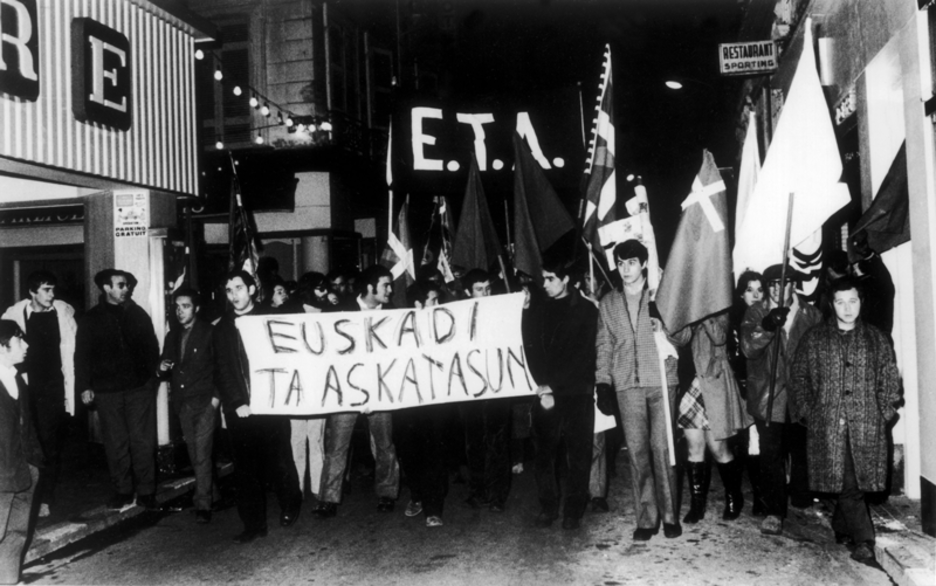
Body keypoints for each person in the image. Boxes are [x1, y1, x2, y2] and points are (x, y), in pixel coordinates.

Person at [791, 277, 900, 565]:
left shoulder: (876, 339)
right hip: (828, 425)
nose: (847, 308)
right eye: (840, 302)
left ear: (861, 302)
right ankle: (865, 540)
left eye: (853, 301)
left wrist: (884, 412)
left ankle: (842, 525)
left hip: (867, 425)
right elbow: (799, 377)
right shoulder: (814, 338)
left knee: (852, 481)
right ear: (831, 304)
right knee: (848, 480)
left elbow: (890, 378)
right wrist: (808, 412)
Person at [595, 240, 690, 541]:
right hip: (627, 385)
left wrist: (666, 327)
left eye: (632, 262)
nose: (626, 269)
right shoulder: (609, 302)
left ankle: (670, 515)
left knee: (663, 448)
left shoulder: (662, 294)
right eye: (620, 263)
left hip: (661, 380)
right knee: (637, 452)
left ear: (645, 264)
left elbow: (685, 336)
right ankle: (647, 519)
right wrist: (603, 381)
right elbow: (604, 344)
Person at [213, 270, 302, 544]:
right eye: (229, 290)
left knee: (279, 460)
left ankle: (290, 504)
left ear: (252, 289)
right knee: (245, 469)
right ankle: (253, 524)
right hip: (240, 409)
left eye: (239, 288)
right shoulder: (222, 328)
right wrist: (237, 402)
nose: (234, 295)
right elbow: (222, 369)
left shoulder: (269, 317)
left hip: (270, 405)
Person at [740, 263, 822, 535]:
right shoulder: (756, 311)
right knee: (771, 453)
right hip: (768, 395)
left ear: (793, 285)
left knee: (803, 450)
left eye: (784, 282)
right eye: (772, 284)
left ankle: (802, 499)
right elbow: (748, 349)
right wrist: (767, 326)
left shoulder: (811, 314)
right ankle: (774, 511)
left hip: (802, 395)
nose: (777, 289)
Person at [314, 265, 401, 518]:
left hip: (380, 388)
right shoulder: (339, 310)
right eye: (386, 285)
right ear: (370, 287)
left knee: (384, 444)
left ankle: (387, 494)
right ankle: (328, 499)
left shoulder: (394, 314)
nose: (390, 290)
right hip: (346, 390)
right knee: (337, 445)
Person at [522, 258, 598, 530]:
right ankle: (548, 507)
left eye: (550, 278)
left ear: (566, 279)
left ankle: (573, 511)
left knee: (578, 455)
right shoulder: (539, 309)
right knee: (544, 453)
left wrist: (553, 385)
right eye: (543, 278)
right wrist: (542, 384)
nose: (545, 284)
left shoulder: (586, 310)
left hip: (576, 392)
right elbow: (529, 347)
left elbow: (584, 354)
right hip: (546, 393)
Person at [75, 269, 160, 510]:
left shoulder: (137, 314)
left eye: (127, 285)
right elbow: (82, 356)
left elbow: (152, 349)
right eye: (121, 285)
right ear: (106, 287)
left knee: (143, 441)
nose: (126, 289)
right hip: (107, 392)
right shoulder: (90, 319)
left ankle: (146, 491)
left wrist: (150, 379)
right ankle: (123, 490)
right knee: (115, 443)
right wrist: (85, 386)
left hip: (138, 390)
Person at [2, 270, 77, 517]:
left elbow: (73, 352)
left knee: (48, 446)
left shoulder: (63, 314)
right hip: (25, 388)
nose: (52, 294)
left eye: (53, 289)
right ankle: (24, 497)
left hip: (53, 389)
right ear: (32, 292)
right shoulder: (14, 316)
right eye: (46, 289)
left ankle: (45, 498)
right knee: (22, 443)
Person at [677, 312, 752, 524]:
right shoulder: (686, 309)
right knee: (694, 447)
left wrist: (703, 314)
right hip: (690, 385)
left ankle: (734, 497)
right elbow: (678, 339)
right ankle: (697, 505)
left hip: (714, 384)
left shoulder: (720, 311)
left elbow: (719, 337)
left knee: (718, 448)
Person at [157, 289, 217, 524]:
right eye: (177, 307)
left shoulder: (209, 332)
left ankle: (203, 504)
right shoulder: (172, 335)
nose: (180, 311)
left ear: (197, 308)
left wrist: (215, 399)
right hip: (183, 404)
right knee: (195, 453)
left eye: (186, 306)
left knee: (201, 453)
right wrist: (161, 367)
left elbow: (221, 367)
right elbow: (164, 365)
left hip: (204, 402)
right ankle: (213, 493)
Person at [394, 280, 450, 527]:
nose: (438, 304)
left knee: (433, 454)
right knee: (409, 453)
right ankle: (417, 495)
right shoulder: (397, 329)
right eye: (433, 300)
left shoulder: (445, 326)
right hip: (406, 404)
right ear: (418, 304)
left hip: (434, 402)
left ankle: (433, 508)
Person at [459, 268, 513, 512]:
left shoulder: (502, 312)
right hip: (471, 390)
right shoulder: (459, 317)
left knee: (498, 443)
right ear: (468, 292)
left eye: (488, 288)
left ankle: (498, 495)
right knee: (474, 444)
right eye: (479, 289)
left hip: (498, 387)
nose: (486, 293)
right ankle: (477, 490)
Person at [0, 321, 44, 585]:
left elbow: (27, 425)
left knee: (15, 536)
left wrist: (34, 464)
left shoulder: (17, 379)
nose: (26, 345)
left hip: (24, 471)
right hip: (1, 474)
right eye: (19, 339)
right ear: (2, 346)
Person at [728, 270, 766, 516]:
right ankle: (735, 496)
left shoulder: (767, 317)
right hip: (737, 386)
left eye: (760, 290)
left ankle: (760, 497)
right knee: (738, 444)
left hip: (760, 388)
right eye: (750, 290)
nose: (755, 295)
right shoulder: (733, 320)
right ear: (741, 293)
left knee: (758, 445)